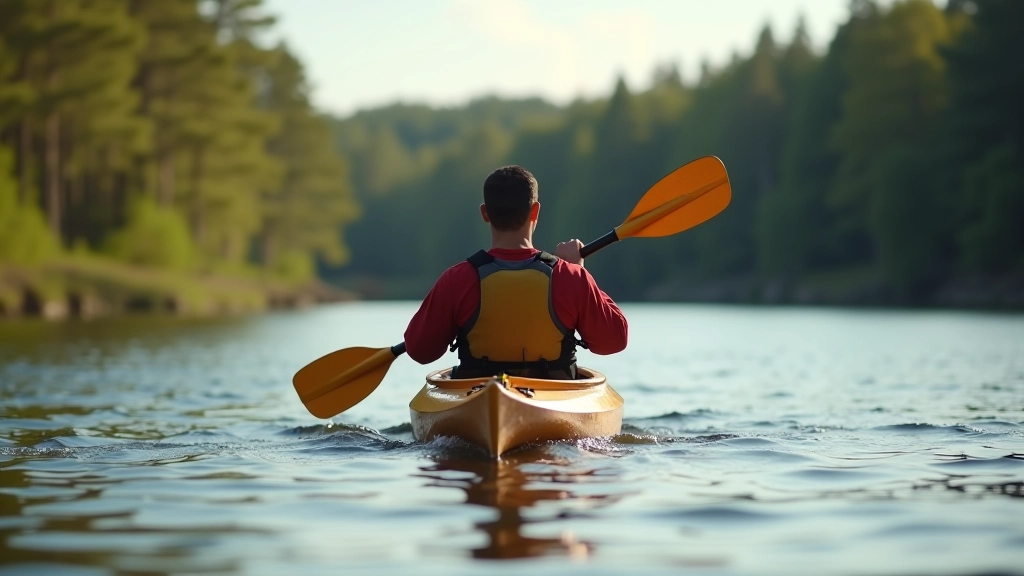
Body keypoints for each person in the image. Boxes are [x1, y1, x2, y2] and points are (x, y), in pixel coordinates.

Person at [404, 165, 627, 380]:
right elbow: (614, 341)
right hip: (551, 397)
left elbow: (420, 351)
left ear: (485, 213)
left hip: (478, 397)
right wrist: (578, 271)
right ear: (535, 210)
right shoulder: (570, 277)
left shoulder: (456, 279)